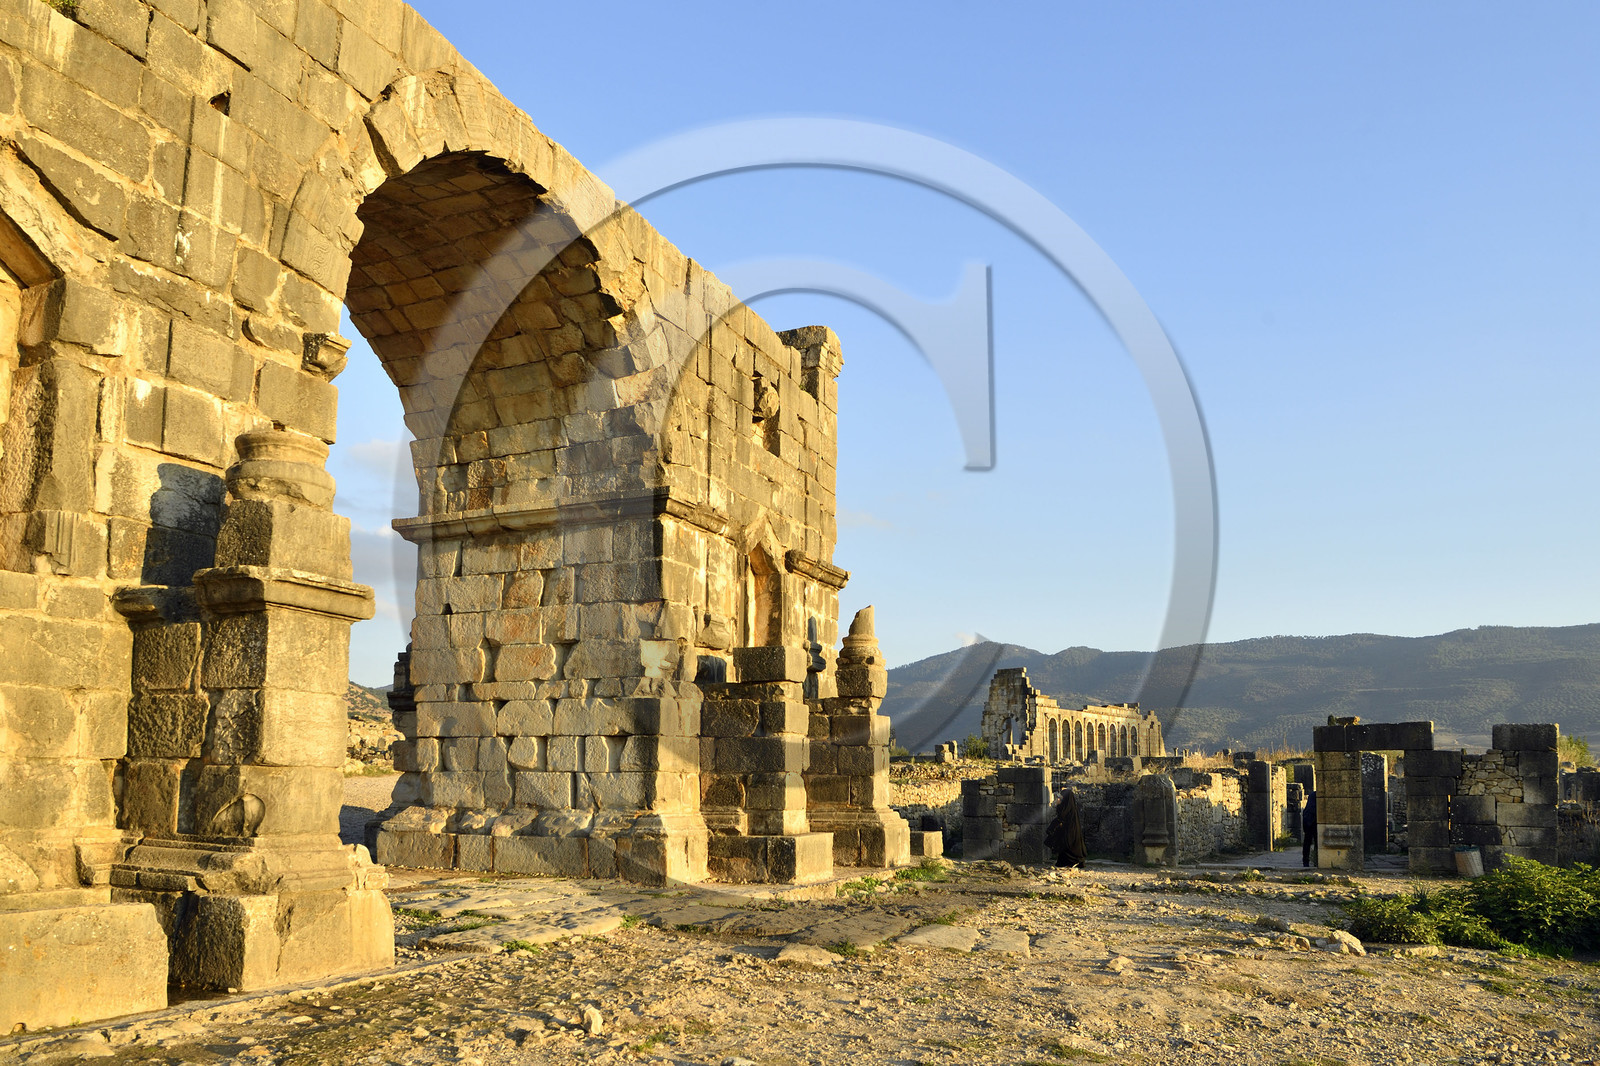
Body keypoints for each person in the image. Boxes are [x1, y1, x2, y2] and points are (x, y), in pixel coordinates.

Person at [1043, 786, 1087, 869]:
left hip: (1070, 831)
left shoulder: (1068, 808)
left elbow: (1061, 817)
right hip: (1065, 830)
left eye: (1061, 798)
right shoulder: (1064, 807)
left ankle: (1075, 861)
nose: (1059, 799)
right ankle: (1065, 862)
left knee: (1069, 845)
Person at [1301, 790, 1318, 868]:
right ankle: (1316, 861)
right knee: (1316, 842)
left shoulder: (1312, 794)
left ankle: (1306, 861)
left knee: (1307, 842)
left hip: (1308, 820)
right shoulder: (1316, 795)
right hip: (1313, 821)